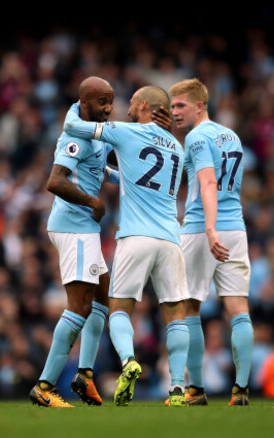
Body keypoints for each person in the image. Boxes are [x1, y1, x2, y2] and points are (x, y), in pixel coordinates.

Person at [64, 85, 190, 407]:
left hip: (135, 237)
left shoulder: (126, 132)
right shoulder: (177, 147)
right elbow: (139, 179)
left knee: (119, 310)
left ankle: (129, 361)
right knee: (176, 316)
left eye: (132, 103)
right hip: (171, 240)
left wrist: (77, 104)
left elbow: (72, 127)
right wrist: (108, 174)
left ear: (144, 105)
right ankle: (177, 389)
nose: (127, 109)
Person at [29, 77, 114, 408]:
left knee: (102, 297)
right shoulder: (74, 135)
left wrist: (126, 181)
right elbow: (55, 180)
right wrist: (92, 202)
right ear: (83, 102)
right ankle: (45, 385)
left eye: (111, 101)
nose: (108, 108)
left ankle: (85, 376)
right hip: (74, 227)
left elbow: (97, 170)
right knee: (79, 306)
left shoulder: (95, 132)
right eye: (101, 102)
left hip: (85, 229)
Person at [167, 78, 253, 406]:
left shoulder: (197, 138)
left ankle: (196, 389)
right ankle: (241, 389)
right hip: (237, 228)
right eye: (173, 106)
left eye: (181, 106)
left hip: (204, 229)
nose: (175, 112)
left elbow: (207, 182)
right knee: (238, 309)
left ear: (200, 106)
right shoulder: (231, 135)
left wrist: (210, 229)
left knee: (188, 306)